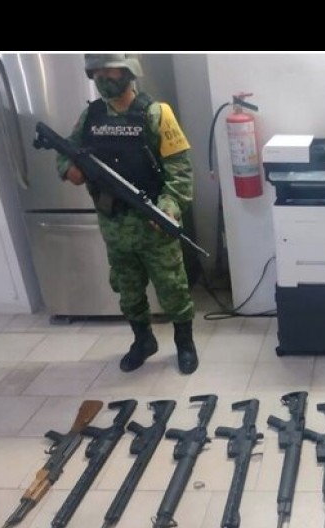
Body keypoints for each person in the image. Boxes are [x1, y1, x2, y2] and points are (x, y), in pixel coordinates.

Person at [57, 54, 199, 374]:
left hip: (153, 225)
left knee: (173, 287)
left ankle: (185, 343)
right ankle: (143, 341)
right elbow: (65, 151)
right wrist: (69, 169)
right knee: (127, 288)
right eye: (97, 72)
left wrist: (168, 209)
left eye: (110, 70)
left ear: (128, 70)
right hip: (114, 226)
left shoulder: (156, 113)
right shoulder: (91, 116)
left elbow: (180, 171)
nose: (103, 77)